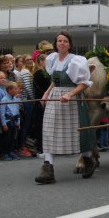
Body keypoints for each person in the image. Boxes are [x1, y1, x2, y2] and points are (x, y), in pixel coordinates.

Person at [35, 31, 97, 184]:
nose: (62, 43)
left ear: (70, 44)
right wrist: (46, 93)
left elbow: (83, 84)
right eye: (59, 41)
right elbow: (56, 80)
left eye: (65, 41)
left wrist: (70, 95)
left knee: (78, 133)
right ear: (56, 44)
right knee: (49, 131)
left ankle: (89, 160)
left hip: (72, 100)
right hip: (55, 98)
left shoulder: (77, 60)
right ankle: (47, 169)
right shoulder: (53, 59)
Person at [0, 82, 22, 161]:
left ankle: (10, 151)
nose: (17, 90)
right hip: (8, 121)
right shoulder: (4, 100)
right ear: (9, 90)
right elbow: (2, 113)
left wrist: (18, 122)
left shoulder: (15, 99)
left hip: (14, 121)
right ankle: (4, 153)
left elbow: (17, 111)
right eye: (15, 89)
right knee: (7, 138)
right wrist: (4, 124)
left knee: (13, 138)